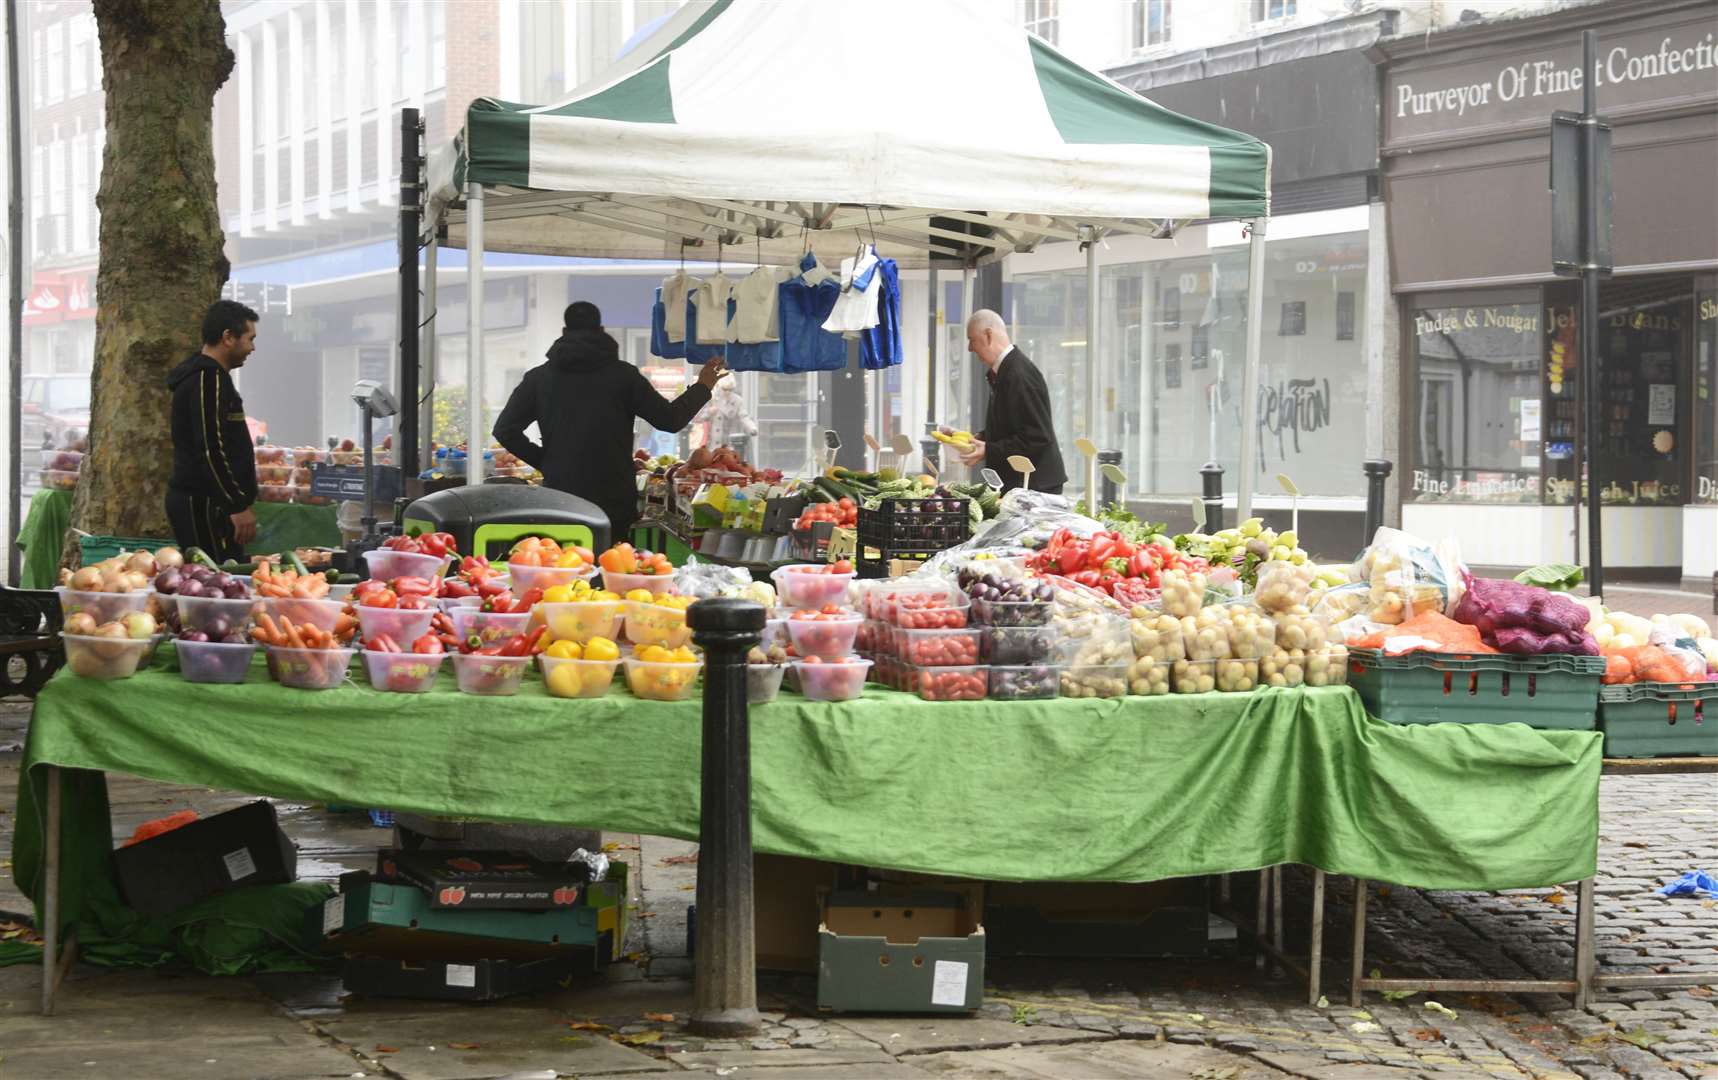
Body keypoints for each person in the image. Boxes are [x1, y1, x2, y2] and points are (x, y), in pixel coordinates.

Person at [494, 301, 725, 539]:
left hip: (562, 498)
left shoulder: (539, 379)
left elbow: (505, 429)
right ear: (602, 331)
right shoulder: (624, 377)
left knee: (565, 568)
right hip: (614, 501)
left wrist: (547, 461)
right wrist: (703, 386)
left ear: (564, 332)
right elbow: (670, 420)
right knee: (614, 568)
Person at [165, 299, 260, 562]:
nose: (252, 347)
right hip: (204, 504)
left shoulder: (210, 378)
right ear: (228, 337)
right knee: (215, 582)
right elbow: (209, 448)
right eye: (250, 338)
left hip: (211, 503)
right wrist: (236, 505)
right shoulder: (208, 379)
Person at [957, 309, 1068, 494]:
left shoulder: (1019, 375)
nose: (970, 348)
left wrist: (989, 449)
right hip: (1023, 483)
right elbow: (1014, 425)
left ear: (989, 335)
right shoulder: (1008, 371)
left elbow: (1037, 436)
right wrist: (980, 439)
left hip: (1035, 488)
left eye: (972, 339)